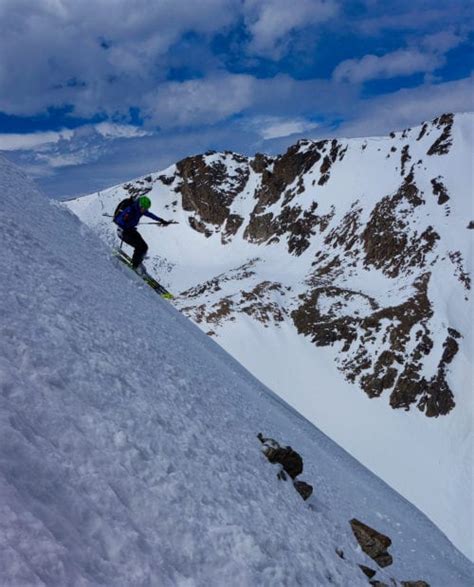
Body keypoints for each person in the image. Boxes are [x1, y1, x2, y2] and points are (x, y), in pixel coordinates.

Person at [114, 195, 172, 274]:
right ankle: (135, 266)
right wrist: (126, 221)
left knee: (144, 247)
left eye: (146, 208)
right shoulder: (130, 209)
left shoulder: (140, 209)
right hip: (123, 232)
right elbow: (120, 220)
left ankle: (137, 263)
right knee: (140, 247)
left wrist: (161, 220)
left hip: (130, 231)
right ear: (140, 205)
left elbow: (150, 215)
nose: (144, 210)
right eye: (144, 208)